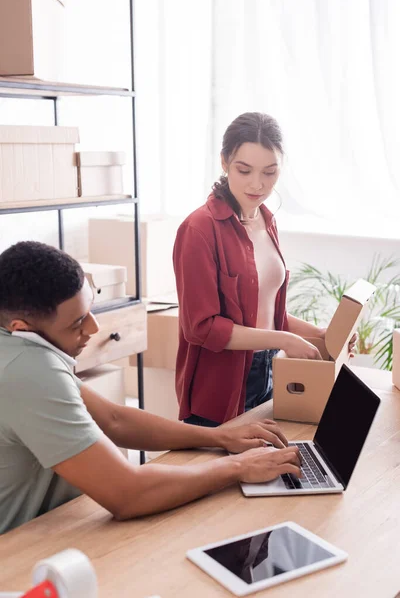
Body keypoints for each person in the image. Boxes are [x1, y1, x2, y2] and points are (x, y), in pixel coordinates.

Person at [0, 241, 301, 534]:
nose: (93, 328)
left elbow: (113, 419)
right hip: (15, 557)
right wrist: (237, 467)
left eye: (90, 310)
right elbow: (127, 493)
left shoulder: (19, 350)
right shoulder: (28, 369)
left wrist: (219, 437)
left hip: (48, 530)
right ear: (22, 328)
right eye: (77, 323)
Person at [173, 112, 356, 427]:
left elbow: (267, 313)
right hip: (220, 388)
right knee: (221, 475)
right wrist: (283, 339)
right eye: (244, 170)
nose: (257, 184)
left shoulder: (267, 220)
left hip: (269, 371)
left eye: (269, 173)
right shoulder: (198, 229)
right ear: (224, 162)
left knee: (269, 470)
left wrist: (318, 335)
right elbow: (201, 328)